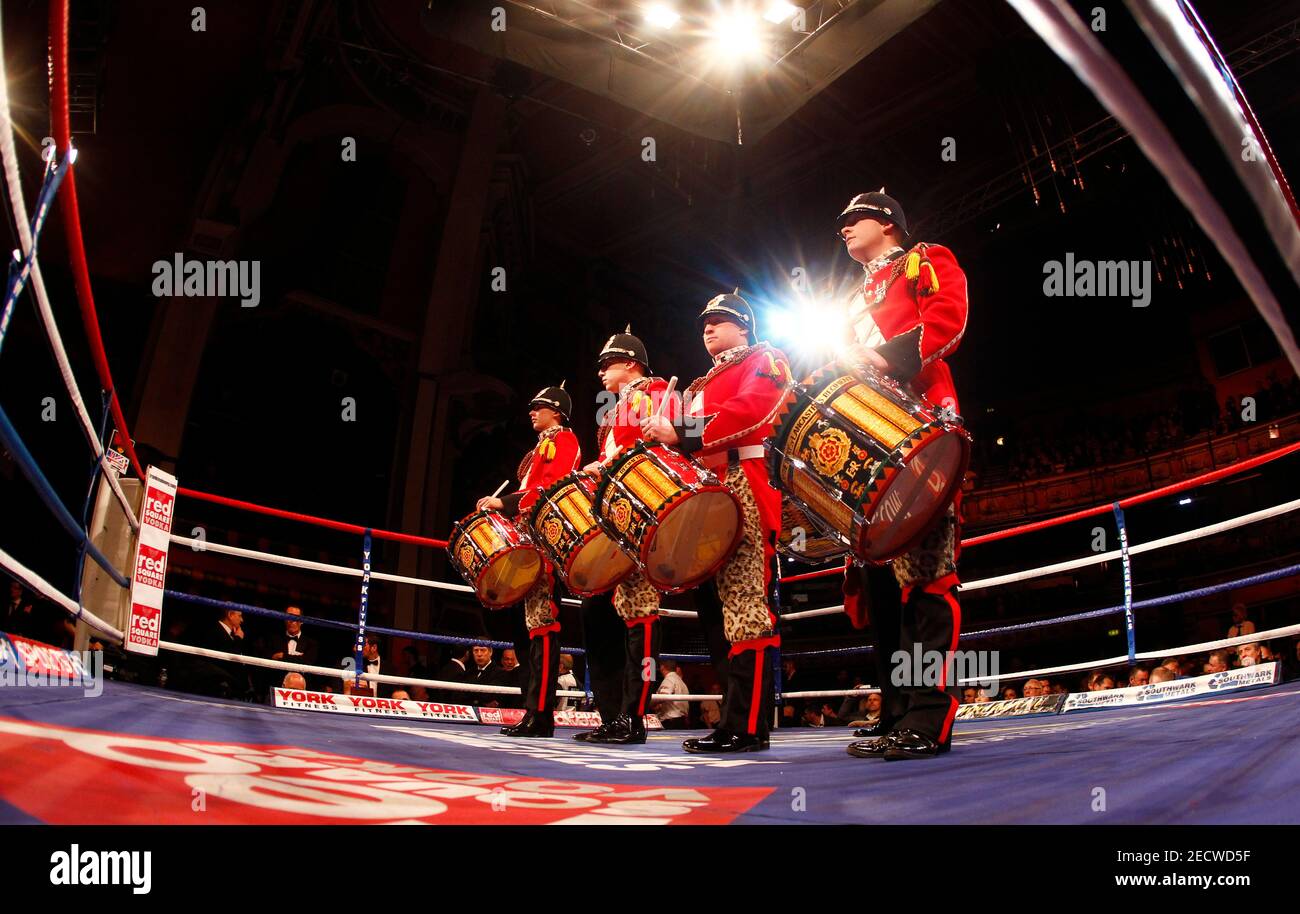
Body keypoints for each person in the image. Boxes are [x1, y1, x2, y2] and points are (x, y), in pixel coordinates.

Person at [834, 191, 970, 762]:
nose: (842, 229)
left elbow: (948, 320)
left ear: (887, 223)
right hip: (868, 434)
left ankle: (929, 716)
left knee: (927, 577)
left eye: (852, 218)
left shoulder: (926, 259)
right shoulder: (852, 295)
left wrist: (884, 360)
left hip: (918, 421)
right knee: (887, 589)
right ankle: (897, 711)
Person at [641, 291, 791, 753]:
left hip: (743, 480)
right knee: (716, 611)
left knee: (746, 601)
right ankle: (734, 720)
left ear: (744, 326)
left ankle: (747, 726)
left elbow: (755, 408)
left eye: (721, 320)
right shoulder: (699, 382)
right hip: (706, 493)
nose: (708, 326)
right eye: (705, 321)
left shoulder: (766, 357)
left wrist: (683, 430)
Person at [573, 327, 673, 744]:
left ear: (630, 364)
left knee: (639, 612)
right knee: (605, 613)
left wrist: (607, 464)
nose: (599, 373)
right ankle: (613, 714)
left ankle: (633, 717)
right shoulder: (619, 409)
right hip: (615, 512)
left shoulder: (653, 391)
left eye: (606, 364)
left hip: (640, 508)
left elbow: (660, 449)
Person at [474, 385, 581, 737]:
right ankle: (532, 711)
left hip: (542, 538)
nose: (532, 412)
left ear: (557, 411)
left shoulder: (563, 440)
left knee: (543, 625)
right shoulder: (540, 448)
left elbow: (548, 490)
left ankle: (541, 714)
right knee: (528, 631)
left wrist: (503, 502)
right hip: (527, 536)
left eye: (540, 407)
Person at [653, 659, 690, 729]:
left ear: (662, 667)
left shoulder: (669, 679)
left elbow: (663, 697)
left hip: (671, 721)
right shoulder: (681, 682)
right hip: (680, 720)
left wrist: (649, 702)